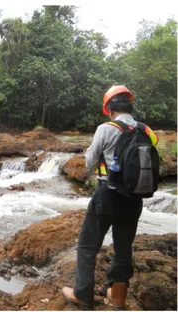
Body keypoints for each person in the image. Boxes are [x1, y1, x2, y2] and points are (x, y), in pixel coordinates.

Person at [61, 86, 159, 310]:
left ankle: (83, 295)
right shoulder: (147, 131)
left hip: (108, 194)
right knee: (123, 248)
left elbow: (89, 161)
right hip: (134, 198)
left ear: (109, 109)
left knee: (87, 246)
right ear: (130, 106)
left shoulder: (105, 129)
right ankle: (117, 298)